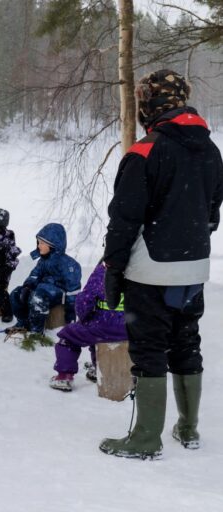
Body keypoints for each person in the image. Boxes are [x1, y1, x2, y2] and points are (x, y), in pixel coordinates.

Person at [99, 70, 223, 459]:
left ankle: (145, 439)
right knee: (187, 343)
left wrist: (114, 271)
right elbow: (212, 214)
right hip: (195, 267)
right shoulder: (211, 150)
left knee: (149, 348)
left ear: (149, 105)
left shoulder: (145, 151)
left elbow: (123, 221)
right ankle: (188, 429)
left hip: (150, 268)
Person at [49, 261, 126, 392]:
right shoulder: (141, 270)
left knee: (68, 337)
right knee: (95, 336)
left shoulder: (103, 271)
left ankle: (64, 376)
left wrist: (83, 318)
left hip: (104, 325)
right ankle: (100, 368)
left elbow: (85, 300)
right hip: (132, 328)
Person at [7, 223, 81, 349]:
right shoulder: (43, 261)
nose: (38, 246)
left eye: (42, 243)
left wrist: (70, 319)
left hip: (59, 293)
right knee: (16, 293)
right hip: (42, 290)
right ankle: (24, 323)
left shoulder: (69, 264)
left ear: (52, 245)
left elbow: (73, 291)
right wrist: (27, 286)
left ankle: (36, 332)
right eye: (38, 242)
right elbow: (35, 275)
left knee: (38, 297)